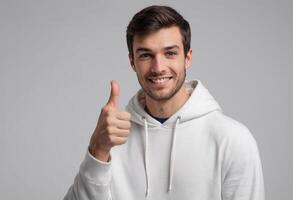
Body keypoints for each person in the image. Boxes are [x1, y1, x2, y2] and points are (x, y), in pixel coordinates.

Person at [64, 5, 265, 200]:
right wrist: (97, 149)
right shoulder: (111, 140)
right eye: (145, 55)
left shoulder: (232, 140)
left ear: (188, 58)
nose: (158, 67)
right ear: (132, 61)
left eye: (170, 53)